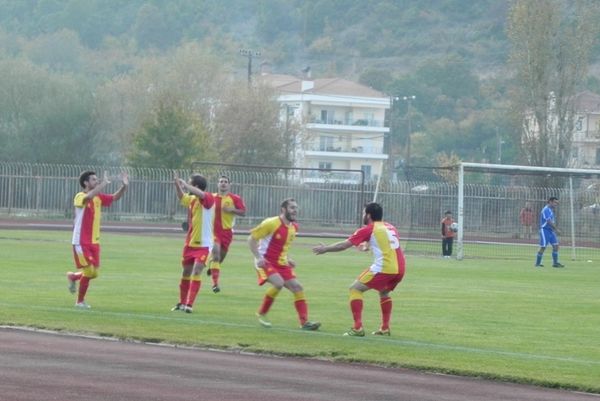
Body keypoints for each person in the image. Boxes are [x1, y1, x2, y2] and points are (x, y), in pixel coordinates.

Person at [313, 202, 405, 337]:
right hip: (400, 268)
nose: (362, 215)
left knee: (355, 289)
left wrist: (325, 249)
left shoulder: (368, 229)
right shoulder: (390, 227)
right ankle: (385, 328)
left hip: (385, 267)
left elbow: (344, 245)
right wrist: (366, 246)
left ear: (368, 215)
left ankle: (357, 328)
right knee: (384, 293)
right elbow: (381, 243)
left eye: (363, 213)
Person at [247, 198, 321, 331]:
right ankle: (262, 313)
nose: (295, 211)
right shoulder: (270, 223)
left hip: (281, 263)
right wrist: (258, 257)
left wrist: (288, 258)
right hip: (265, 261)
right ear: (283, 209)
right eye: (292, 208)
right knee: (279, 283)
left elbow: (282, 247)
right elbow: (251, 239)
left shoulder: (294, 227)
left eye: (296, 208)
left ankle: (304, 323)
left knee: (298, 287)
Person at [66, 171, 128, 308]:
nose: (97, 181)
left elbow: (114, 197)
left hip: (94, 242)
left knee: (94, 273)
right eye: (93, 180)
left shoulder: (98, 197)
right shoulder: (80, 196)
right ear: (85, 183)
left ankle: (73, 277)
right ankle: (79, 302)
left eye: (97, 179)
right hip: (80, 241)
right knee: (88, 272)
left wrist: (124, 186)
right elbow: (88, 196)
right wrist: (104, 184)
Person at [171, 173, 215, 313]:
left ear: (195, 186)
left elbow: (200, 194)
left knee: (197, 271)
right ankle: (182, 303)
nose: (187, 185)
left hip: (204, 245)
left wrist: (185, 184)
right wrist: (177, 185)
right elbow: (182, 197)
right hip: (190, 244)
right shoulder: (192, 199)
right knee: (186, 272)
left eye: (190, 183)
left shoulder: (208, 197)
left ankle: (190, 304)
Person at [206, 175, 246, 293]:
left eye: (225, 182)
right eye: (221, 182)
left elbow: (243, 212)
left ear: (229, 185)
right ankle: (215, 284)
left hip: (227, 233)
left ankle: (212, 266)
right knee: (217, 256)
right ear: (217, 184)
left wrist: (232, 210)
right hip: (214, 232)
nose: (223, 184)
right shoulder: (211, 197)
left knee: (219, 259)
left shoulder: (235, 198)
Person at [535, 197, 565, 268]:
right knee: (543, 247)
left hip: (551, 231)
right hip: (545, 230)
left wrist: (554, 230)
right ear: (550, 202)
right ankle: (537, 263)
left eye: (557, 203)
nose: (556, 204)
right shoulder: (546, 210)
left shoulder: (551, 210)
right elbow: (548, 221)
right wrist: (556, 229)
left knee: (556, 246)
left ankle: (555, 263)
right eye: (555, 202)